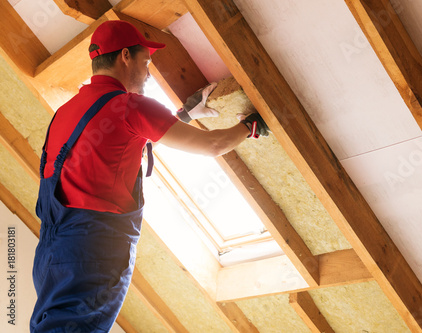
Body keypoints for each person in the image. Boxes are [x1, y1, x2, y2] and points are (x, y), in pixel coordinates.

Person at [30, 20, 269, 333]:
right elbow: (213, 145)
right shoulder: (132, 106)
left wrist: (183, 116)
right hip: (94, 252)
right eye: (146, 62)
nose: (147, 73)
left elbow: (119, 142)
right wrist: (251, 126)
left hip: (52, 256)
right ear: (125, 56)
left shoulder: (66, 111)